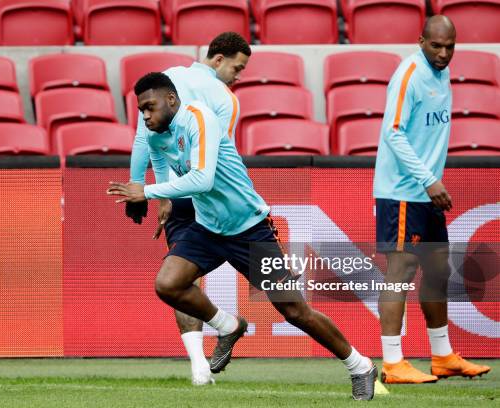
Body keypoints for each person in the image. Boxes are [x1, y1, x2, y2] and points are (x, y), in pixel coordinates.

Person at [109, 72, 378, 400]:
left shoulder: (199, 119)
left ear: (171, 100)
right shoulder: (156, 135)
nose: (146, 116)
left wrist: (148, 191)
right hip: (208, 228)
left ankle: (359, 365)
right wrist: (164, 200)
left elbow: (203, 179)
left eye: (150, 107)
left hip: (249, 229)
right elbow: (160, 163)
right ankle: (228, 325)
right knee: (168, 284)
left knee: (295, 311)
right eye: (141, 110)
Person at [126, 32, 250, 386]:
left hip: (176, 194)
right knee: (179, 279)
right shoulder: (224, 98)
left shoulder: (166, 80)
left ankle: (199, 368)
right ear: (218, 59)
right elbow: (216, 160)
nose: (237, 76)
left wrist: (145, 190)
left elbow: (146, 141)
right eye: (237, 68)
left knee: (180, 280)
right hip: (209, 197)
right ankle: (208, 358)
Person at [373, 15, 491, 384]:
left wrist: (430, 182)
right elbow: (392, 132)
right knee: (400, 272)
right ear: (420, 40)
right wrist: (428, 180)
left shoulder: (441, 73)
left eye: (450, 46)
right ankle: (393, 363)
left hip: (425, 191)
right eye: (436, 46)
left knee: (438, 270)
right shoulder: (409, 74)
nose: (443, 54)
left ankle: (442, 356)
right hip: (403, 192)